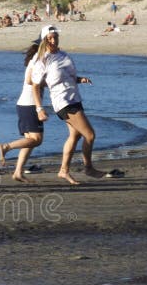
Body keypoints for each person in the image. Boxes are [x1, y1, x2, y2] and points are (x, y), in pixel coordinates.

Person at [31, 24, 105, 185]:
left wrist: (80, 79)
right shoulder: (42, 60)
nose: (53, 40)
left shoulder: (64, 55)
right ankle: (88, 168)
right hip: (63, 102)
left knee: (75, 135)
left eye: (55, 36)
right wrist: (39, 109)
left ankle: (64, 170)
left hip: (74, 98)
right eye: (49, 38)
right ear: (44, 40)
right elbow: (35, 86)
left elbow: (67, 76)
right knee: (90, 135)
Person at [0, 42, 46, 182]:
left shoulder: (35, 61)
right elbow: (30, 80)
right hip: (30, 105)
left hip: (24, 104)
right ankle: (6, 146)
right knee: (36, 140)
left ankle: (18, 172)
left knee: (28, 142)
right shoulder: (37, 61)